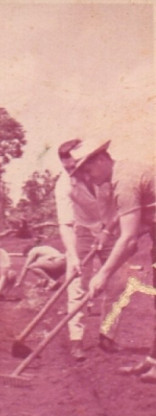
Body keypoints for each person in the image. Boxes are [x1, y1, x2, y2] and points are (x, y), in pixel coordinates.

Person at [68, 141, 154, 374]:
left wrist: (103, 274)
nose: (88, 176)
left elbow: (128, 239)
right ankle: (153, 362)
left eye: (88, 170)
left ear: (102, 160)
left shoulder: (124, 182)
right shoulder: (122, 173)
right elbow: (124, 214)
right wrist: (106, 232)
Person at [55, 139, 129, 361]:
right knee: (77, 284)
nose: (74, 171)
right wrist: (74, 255)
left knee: (118, 284)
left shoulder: (107, 175)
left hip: (111, 229)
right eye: (68, 168)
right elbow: (65, 224)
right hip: (82, 232)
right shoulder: (64, 185)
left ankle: (107, 335)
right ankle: (76, 340)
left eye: (76, 165)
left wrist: (108, 230)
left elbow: (122, 205)